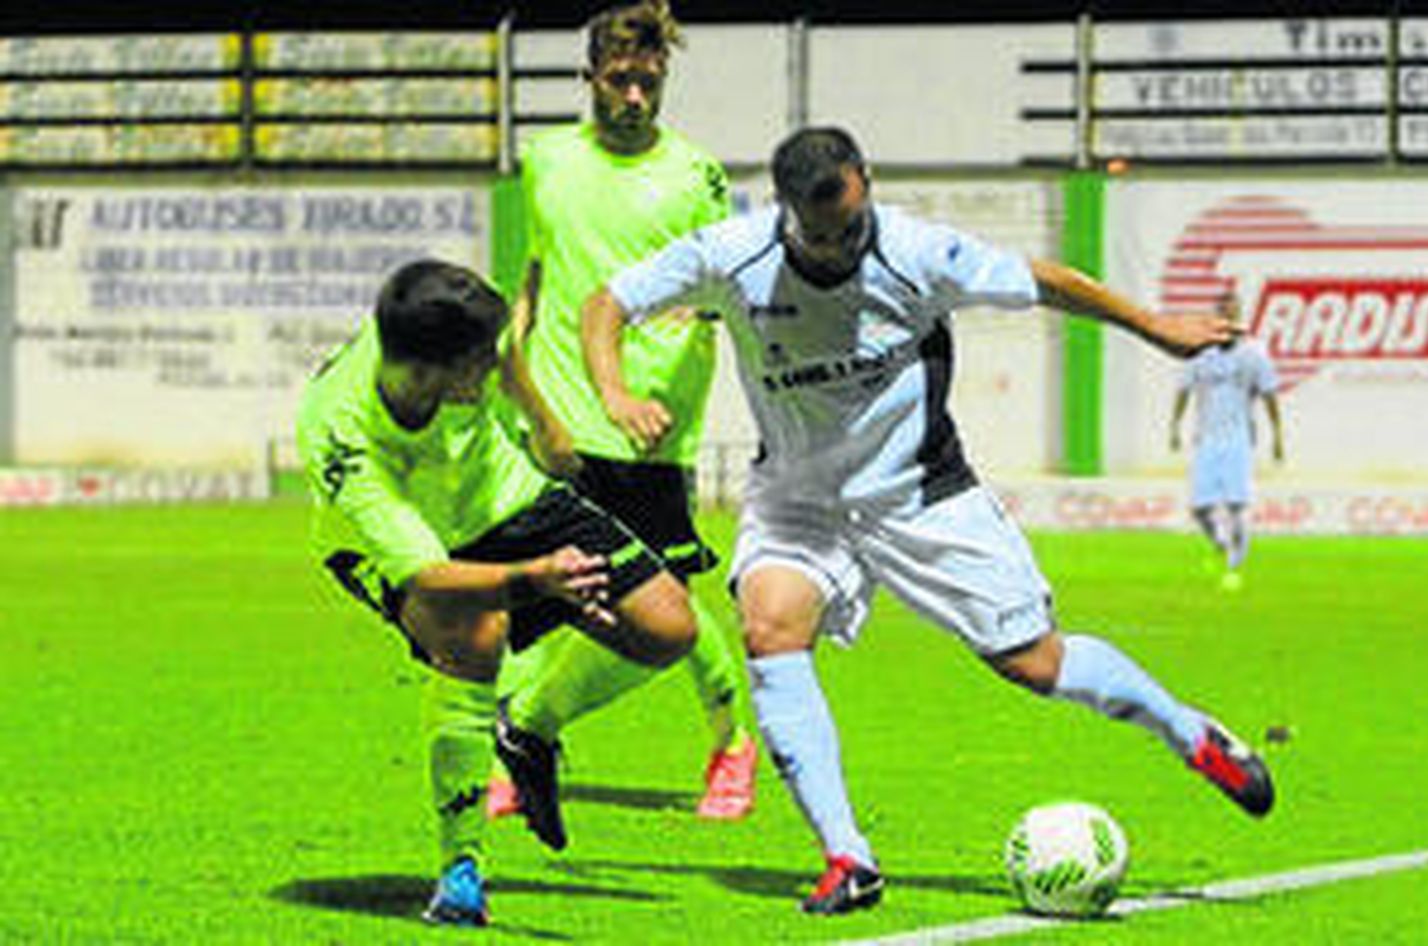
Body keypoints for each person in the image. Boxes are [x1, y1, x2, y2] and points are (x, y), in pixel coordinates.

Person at [581, 127, 1278, 916]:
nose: (841, 245)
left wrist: (1155, 327)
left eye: (851, 223)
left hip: (920, 493)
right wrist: (613, 393)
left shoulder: (918, 251)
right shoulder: (733, 253)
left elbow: (1043, 281)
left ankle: (1192, 735)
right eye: (822, 234)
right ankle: (849, 856)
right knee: (770, 629)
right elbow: (607, 303)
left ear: (865, 183)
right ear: (785, 215)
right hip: (799, 500)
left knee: (1035, 664)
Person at [296, 260, 698, 926]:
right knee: (475, 633)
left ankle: (529, 728)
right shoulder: (343, 435)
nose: (488, 370)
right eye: (475, 365)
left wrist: (542, 423)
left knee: (668, 628)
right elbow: (428, 576)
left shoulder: (434, 331)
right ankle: (461, 869)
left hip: (505, 496)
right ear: (430, 371)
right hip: (401, 548)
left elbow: (506, 348)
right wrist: (537, 580)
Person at [491, 0, 758, 827]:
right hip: (559, 416)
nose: (637, 96)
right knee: (539, 598)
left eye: (651, 80)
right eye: (621, 80)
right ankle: (517, 749)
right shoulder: (544, 162)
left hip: (652, 418)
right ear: (590, 78)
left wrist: (698, 320)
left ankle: (730, 741)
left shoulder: (696, 174)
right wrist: (521, 381)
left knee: (661, 592)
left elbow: (729, 287)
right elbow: (534, 276)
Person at [1168, 293, 1286, 592]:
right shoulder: (1200, 353)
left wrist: (1277, 435)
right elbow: (1184, 390)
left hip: (1238, 438)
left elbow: (1269, 394)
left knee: (1235, 505)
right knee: (1200, 508)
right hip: (1206, 437)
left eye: (1233, 313)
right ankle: (1221, 543)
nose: (1228, 320)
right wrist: (1175, 426)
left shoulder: (1254, 354)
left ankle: (1235, 563)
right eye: (1223, 313)